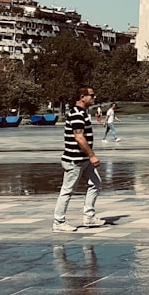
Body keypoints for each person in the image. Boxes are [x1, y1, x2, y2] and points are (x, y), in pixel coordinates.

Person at [53, 86, 104, 232]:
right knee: (67, 190)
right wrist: (92, 155)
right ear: (82, 97)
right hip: (74, 160)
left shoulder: (83, 113)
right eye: (91, 95)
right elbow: (79, 137)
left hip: (83, 159)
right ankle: (58, 221)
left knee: (96, 183)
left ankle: (89, 217)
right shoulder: (76, 114)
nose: (94, 98)